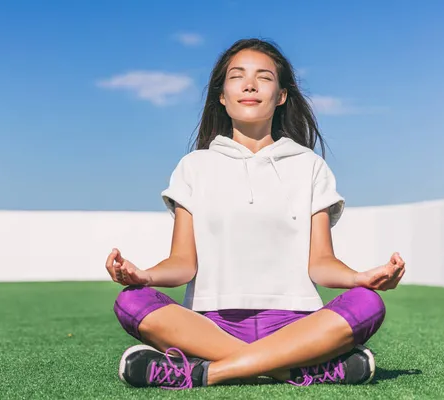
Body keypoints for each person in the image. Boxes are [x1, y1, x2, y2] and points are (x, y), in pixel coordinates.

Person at [105, 38, 406, 390]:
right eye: (237, 76)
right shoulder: (193, 167)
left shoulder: (310, 167)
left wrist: (361, 278)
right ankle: (294, 369)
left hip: (297, 324)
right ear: (222, 95)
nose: (249, 85)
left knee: (368, 303)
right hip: (209, 327)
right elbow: (183, 263)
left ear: (281, 95)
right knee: (132, 301)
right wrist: (143, 274)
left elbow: (321, 263)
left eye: (263, 77)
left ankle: (205, 372)